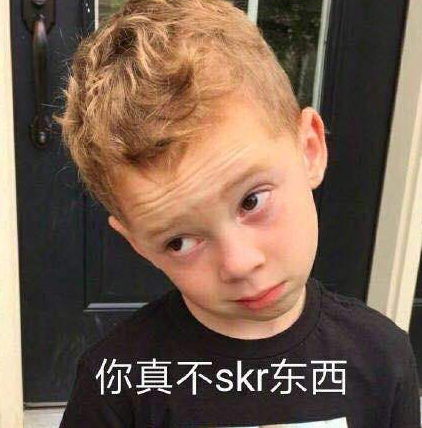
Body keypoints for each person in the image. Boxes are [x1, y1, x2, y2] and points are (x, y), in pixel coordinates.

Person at [56, 0, 420, 427]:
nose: (239, 264)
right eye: (180, 242)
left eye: (252, 201)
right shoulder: (115, 385)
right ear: (137, 242)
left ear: (309, 149)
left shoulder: (382, 358)